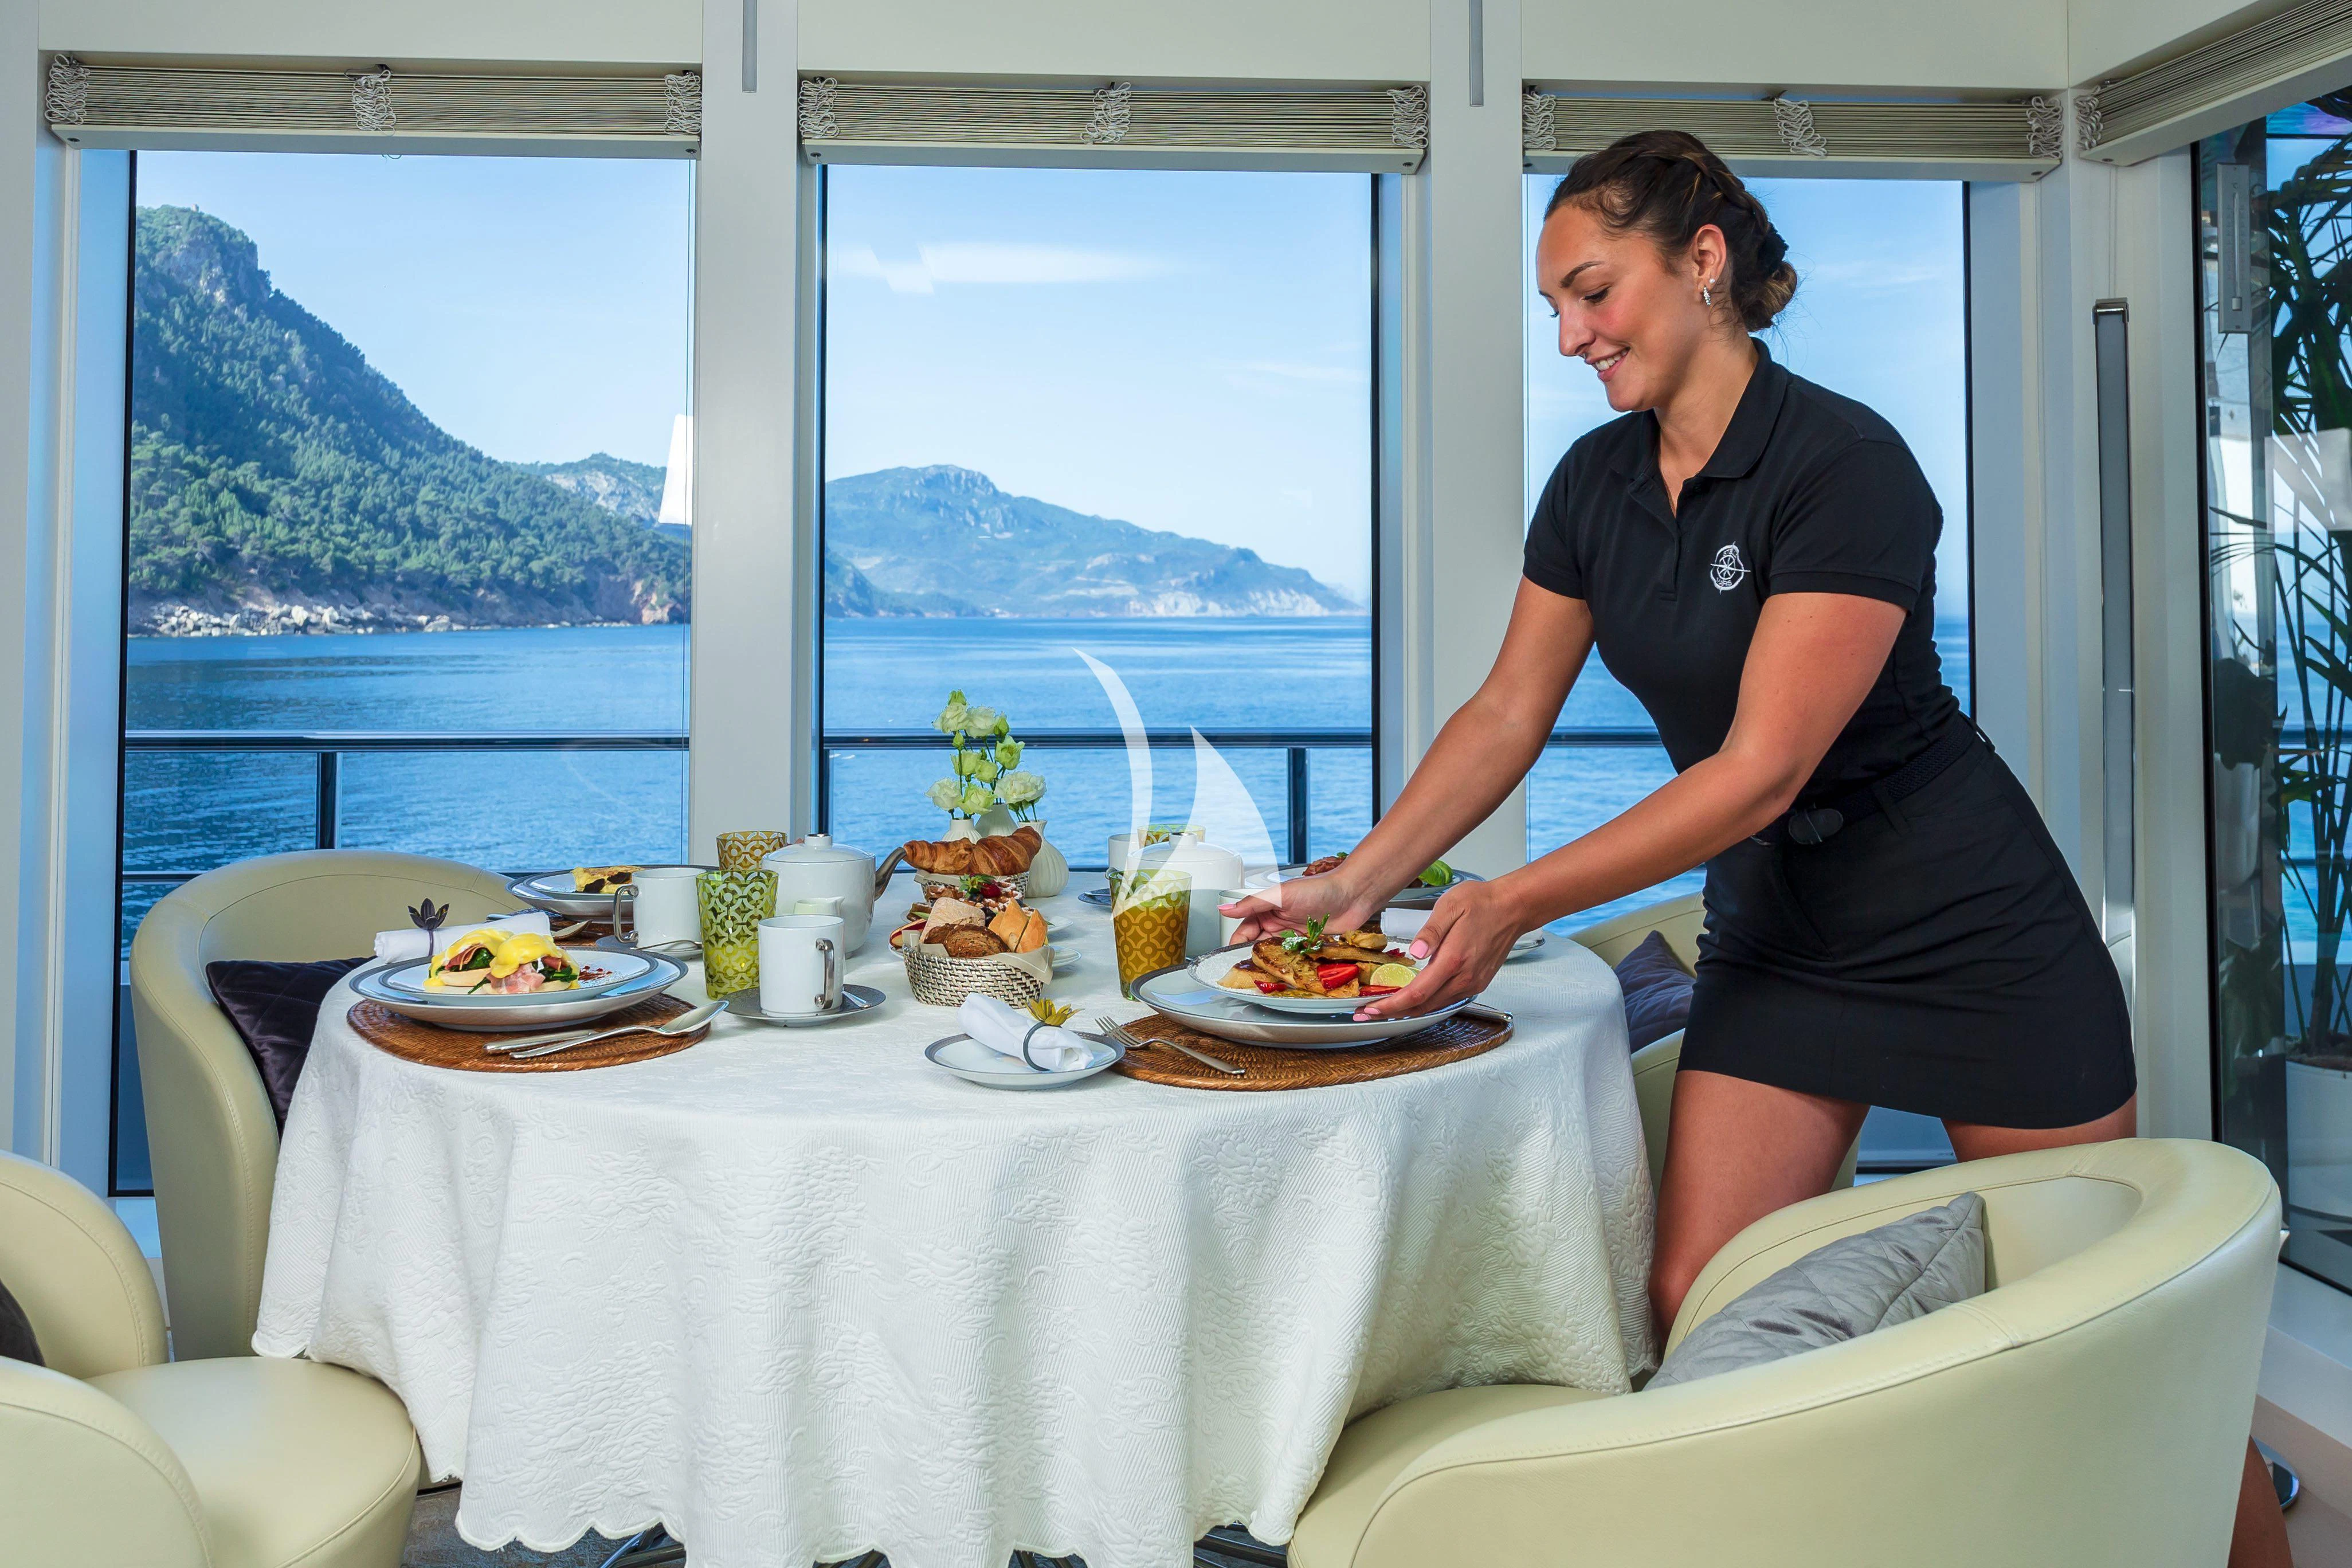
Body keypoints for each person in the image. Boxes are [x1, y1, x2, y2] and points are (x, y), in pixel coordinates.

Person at [1221, 129, 2291, 1565]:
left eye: (1592, 293)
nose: (1571, 335)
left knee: (2126, 1320)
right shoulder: (1595, 487)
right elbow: (1503, 713)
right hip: (1785, 937)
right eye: (1554, 308)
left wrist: (1512, 897)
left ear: (1703, 263)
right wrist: (1355, 880)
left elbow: (1759, 768)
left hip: (1967, 927)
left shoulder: (1845, 463)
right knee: (1697, 1296)